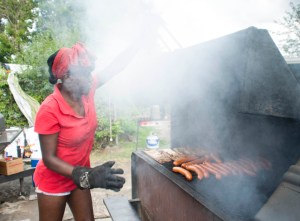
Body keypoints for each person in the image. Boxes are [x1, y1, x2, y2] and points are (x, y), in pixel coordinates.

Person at [34, 41, 140, 221]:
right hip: (54, 181)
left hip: (79, 177)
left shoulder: (86, 91)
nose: (91, 78)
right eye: (85, 74)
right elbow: (49, 159)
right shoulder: (49, 109)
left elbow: (114, 67)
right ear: (68, 77)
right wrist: (86, 175)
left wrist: (139, 40)